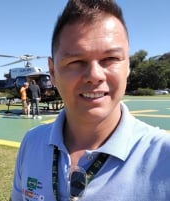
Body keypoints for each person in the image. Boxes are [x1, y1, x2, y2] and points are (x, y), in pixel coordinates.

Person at [10, 1, 170, 201]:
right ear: (52, 72)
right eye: (76, 62)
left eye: (110, 58)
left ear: (127, 66)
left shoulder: (164, 157)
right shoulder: (31, 143)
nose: (94, 75)